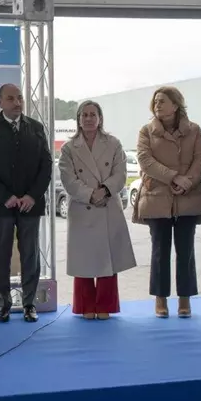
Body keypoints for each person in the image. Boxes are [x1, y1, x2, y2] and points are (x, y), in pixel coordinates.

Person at [0, 83, 52, 323]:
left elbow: (46, 165)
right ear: (0, 102)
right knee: (2, 256)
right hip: (1, 205)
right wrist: (5, 196)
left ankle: (29, 304)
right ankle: (4, 304)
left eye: (19, 98)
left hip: (30, 204)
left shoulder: (36, 128)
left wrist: (32, 196)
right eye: (11, 98)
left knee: (30, 255)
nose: (17, 103)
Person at [133, 86, 201, 318]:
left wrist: (187, 181)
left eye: (162, 101)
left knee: (186, 250)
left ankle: (185, 299)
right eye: (155, 101)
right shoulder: (146, 131)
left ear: (176, 105)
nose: (157, 105)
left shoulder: (194, 130)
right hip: (157, 197)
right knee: (160, 251)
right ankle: (160, 299)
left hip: (188, 196)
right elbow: (145, 160)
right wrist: (173, 177)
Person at [58, 101, 136, 320]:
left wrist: (104, 190)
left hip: (108, 206)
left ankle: (105, 305)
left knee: (107, 260)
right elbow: (68, 179)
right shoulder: (68, 148)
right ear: (78, 119)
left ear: (100, 118)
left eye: (93, 114)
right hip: (82, 207)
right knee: (83, 261)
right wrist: (90, 195)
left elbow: (120, 174)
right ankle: (85, 306)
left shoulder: (114, 144)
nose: (89, 118)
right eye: (84, 115)